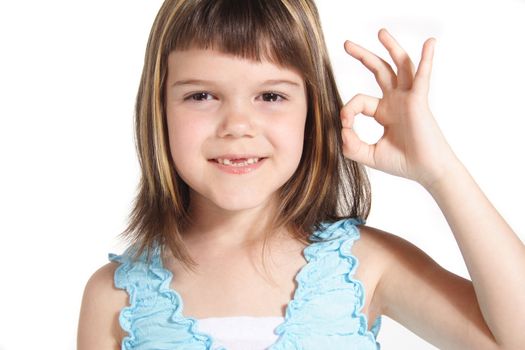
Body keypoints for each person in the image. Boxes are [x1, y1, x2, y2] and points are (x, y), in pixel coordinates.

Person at [77, 0, 525, 349]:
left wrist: (440, 170)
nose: (237, 125)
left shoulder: (367, 265)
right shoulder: (113, 298)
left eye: (271, 96)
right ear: (158, 111)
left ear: (313, 110)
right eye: (201, 96)